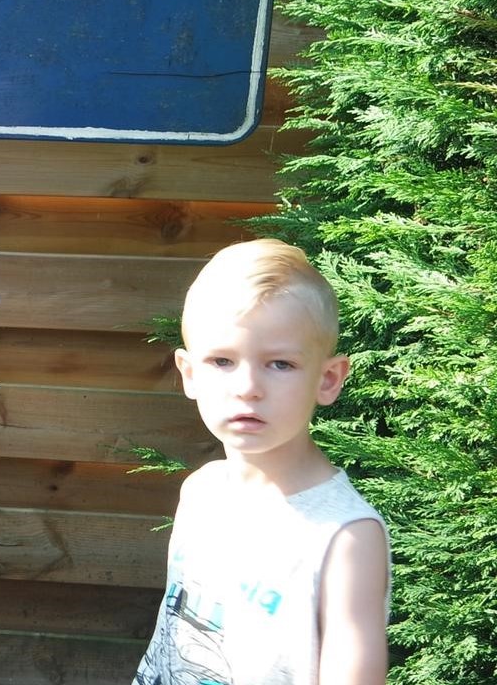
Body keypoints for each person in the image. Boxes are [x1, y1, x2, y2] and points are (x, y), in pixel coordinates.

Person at [134, 238, 389, 685]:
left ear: (328, 379)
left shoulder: (345, 538)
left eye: (280, 365)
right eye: (222, 361)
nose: (248, 387)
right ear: (189, 373)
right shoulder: (201, 491)